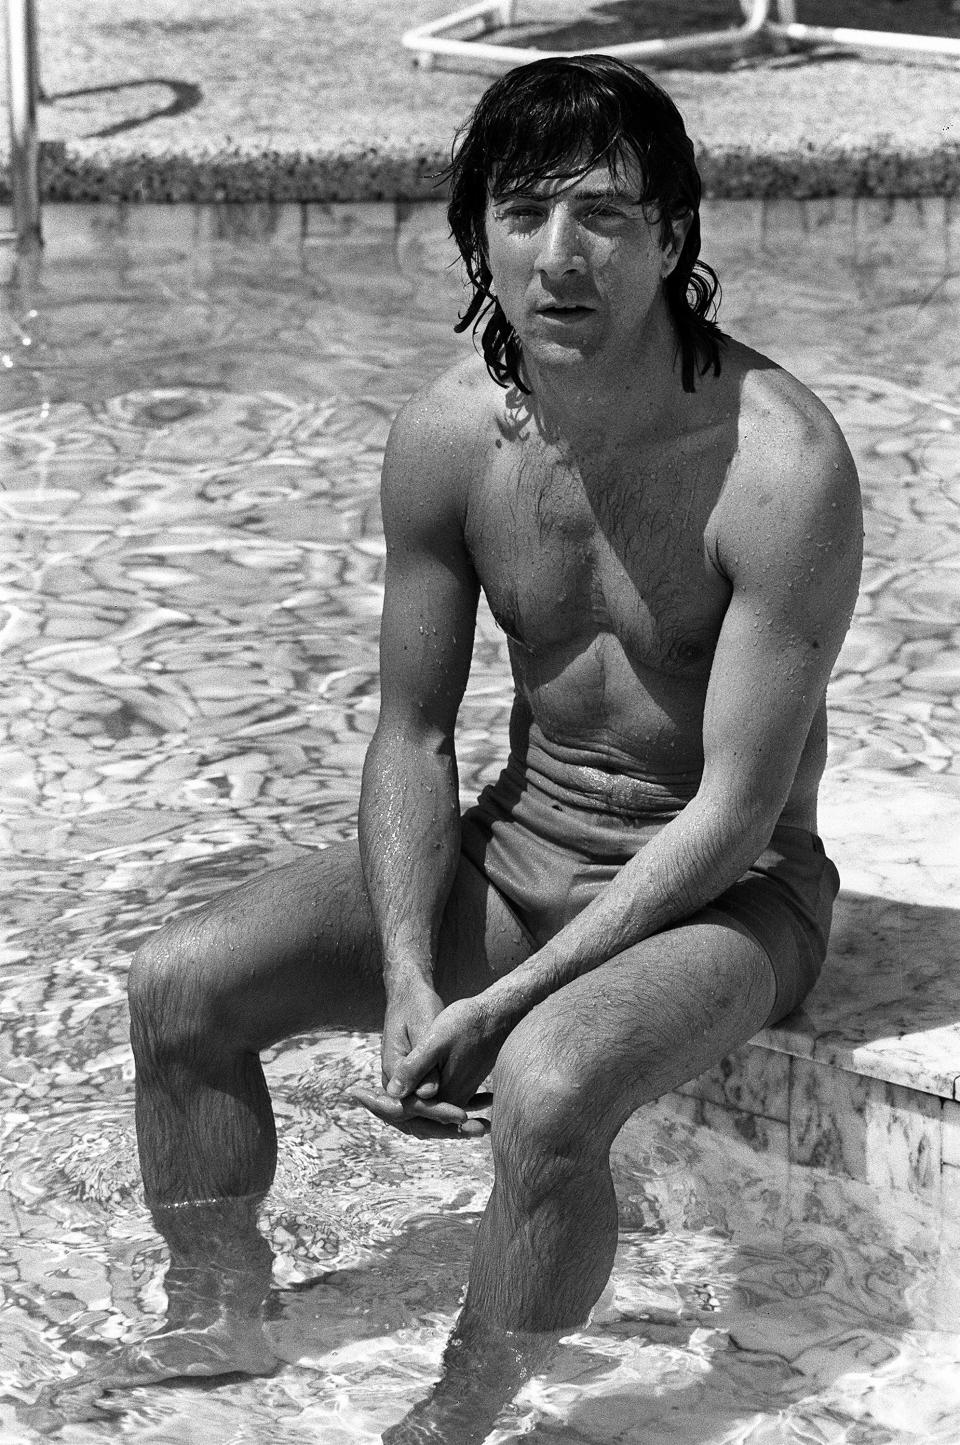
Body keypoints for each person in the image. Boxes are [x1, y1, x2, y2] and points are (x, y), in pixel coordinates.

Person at [120, 53, 861, 1440]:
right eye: (523, 214)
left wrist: (508, 1003)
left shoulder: (781, 467)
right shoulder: (450, 438)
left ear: (675, 238)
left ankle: (467, 1403)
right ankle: (216, 1313)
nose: (561, 256)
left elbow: (738, 808)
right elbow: (411, 728)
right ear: (478, 239)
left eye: (606, 216)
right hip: (523, 853)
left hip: (730, 895)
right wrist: (410, 970)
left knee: (552, 1080)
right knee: (181, 983)